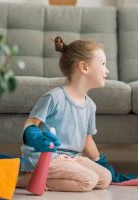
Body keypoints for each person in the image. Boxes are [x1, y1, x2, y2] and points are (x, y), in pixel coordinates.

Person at [16, 36, 112, 192]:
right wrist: (36, 138)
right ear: (84, 67)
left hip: (71, 158)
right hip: (46, 156)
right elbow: (30, 123)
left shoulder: (90, 105)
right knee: (89, 180)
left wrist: (99, 161)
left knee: (105, 178)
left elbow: (87, 140)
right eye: (103, 64)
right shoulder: (54, 97)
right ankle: (26, 179)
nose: (107, 70)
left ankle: (45, 177)